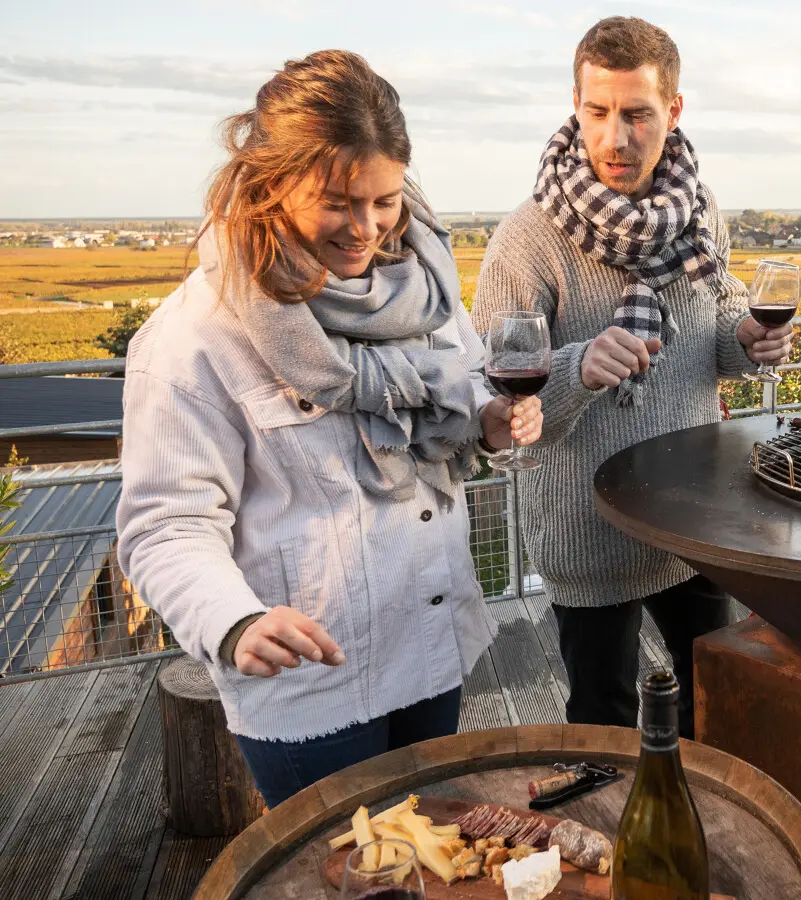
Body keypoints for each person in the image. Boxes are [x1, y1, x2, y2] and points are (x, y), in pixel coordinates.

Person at [116, 50, 543, 808]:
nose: (368, 230)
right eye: (341, 202)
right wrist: (233, 619)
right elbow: (165, 526)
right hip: (316, 685)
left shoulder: (421, 288)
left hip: (431, 645)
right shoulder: (194, 338)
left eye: (385, 201)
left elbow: (466, 383)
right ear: (271, 182)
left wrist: (489, 421)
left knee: (436, 864)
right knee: (353, 880)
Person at [471, 16, 791, 736]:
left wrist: (747, 340)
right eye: (597, 111)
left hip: (695, 518)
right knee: (605, 726)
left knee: (716, 707)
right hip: (590, 530)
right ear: (576, 106)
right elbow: (497, 401)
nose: (615, 137)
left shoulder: (701, 209)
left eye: (637, 114)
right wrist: (576, 367)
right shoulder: (526, 241)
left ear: (673, 111)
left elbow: (720, 320)